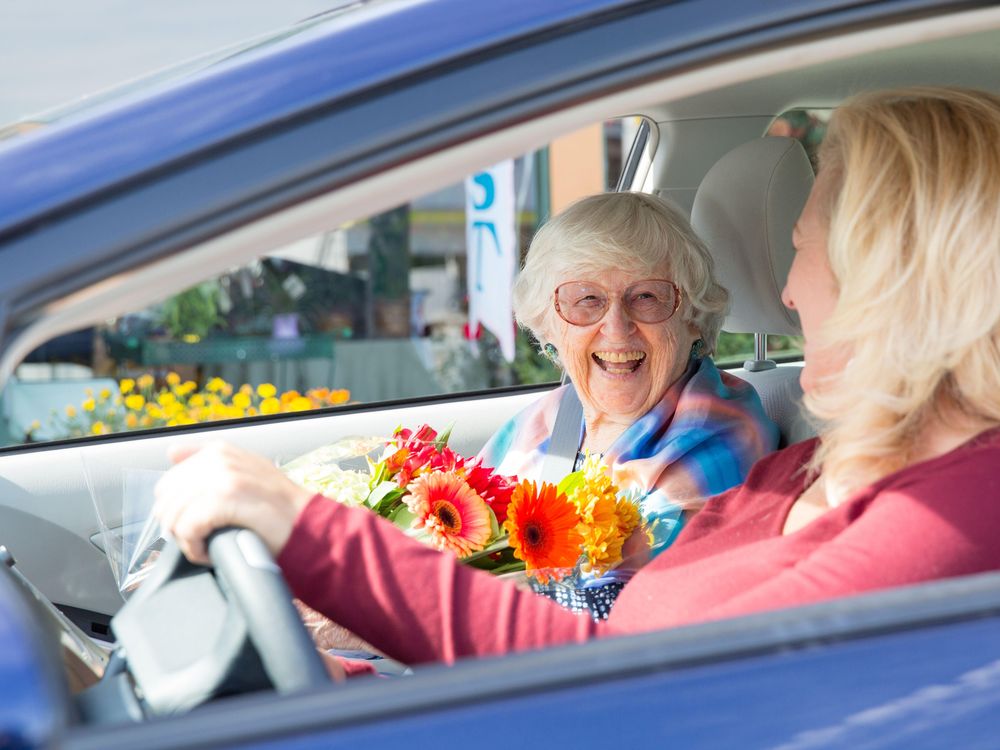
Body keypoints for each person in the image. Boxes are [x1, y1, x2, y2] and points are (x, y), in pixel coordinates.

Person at [154, 86, 1000, 672]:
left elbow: (641, 685)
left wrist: (313, 534)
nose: (782, 288)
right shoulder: (802, 470)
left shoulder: (955, 517)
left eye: (805, 248)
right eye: (584, 302)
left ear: (884, 274)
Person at [475, 191, 778, 616]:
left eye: (647, 297)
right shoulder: (549, 417)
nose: (616, 329)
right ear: (548, 323)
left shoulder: (718, 439)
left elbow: (615, 618)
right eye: (586, 300)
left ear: (692, 317)